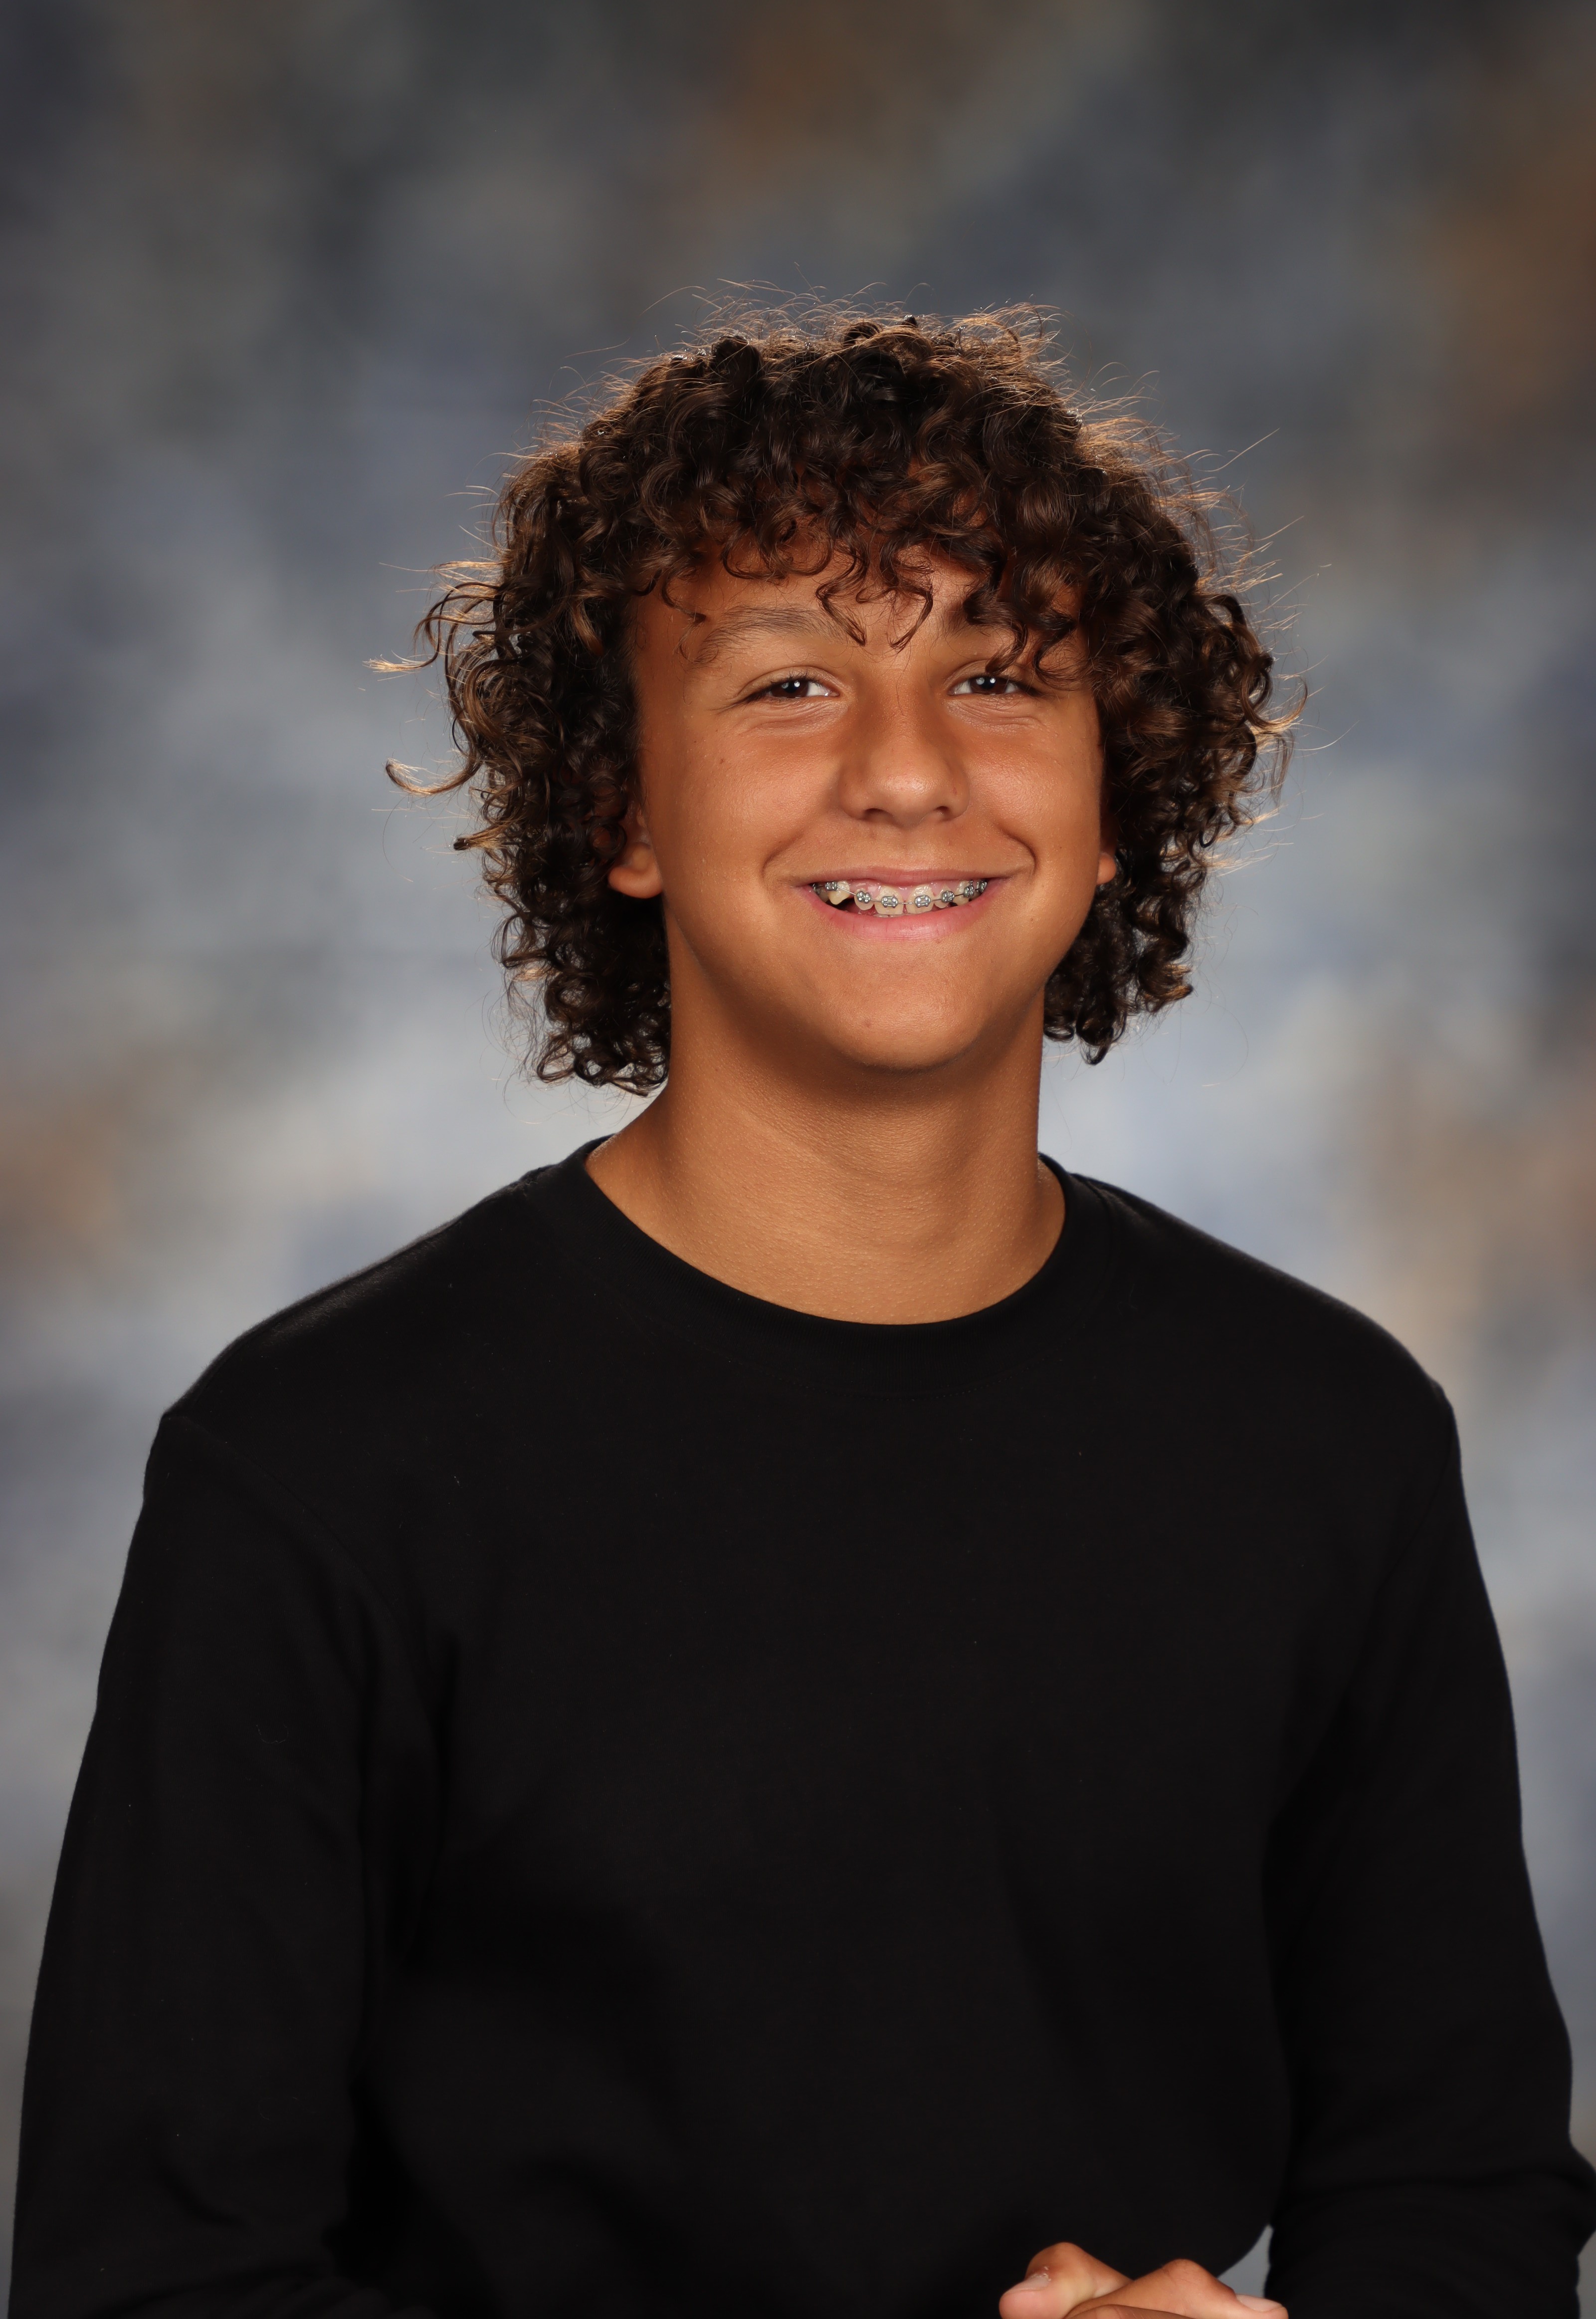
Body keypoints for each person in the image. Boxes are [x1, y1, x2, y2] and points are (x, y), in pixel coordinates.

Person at [11, 311, 1594, 2319]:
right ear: (625, 810)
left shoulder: (1328, 1441)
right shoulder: (321, 1470)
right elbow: (152, 2285)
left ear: (1113, 793)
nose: (907, 772)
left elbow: (1455, 2199)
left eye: (997, 675)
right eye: (787, 684)